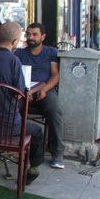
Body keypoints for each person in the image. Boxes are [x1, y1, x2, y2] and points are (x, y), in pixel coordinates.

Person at [0, 22, 45, 184]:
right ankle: (33, 168)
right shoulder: (13, 61)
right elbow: (18, 95)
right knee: (39, 130)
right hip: (10, 129)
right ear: (15, 41)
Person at [15, 22, 64, 169]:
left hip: (44, 91)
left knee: (54, 110)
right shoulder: (19, 53)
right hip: (24, 93)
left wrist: (44, 89)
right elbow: (15, 76)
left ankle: (57, 153)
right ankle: (11, 144)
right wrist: (22, 91)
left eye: (34, 34)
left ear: (43, 36)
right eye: (28, 34)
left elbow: (55, 75)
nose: (31, 37)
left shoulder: (51, 52)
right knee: (10, 106)